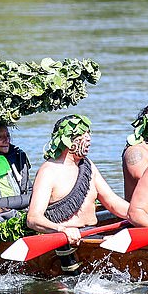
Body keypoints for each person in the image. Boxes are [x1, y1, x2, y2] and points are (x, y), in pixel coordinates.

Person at [26, 115, 129, 273]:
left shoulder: (88, 166)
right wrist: (62, 229)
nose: (89, 139)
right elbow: (33, 219)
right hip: (65, 241)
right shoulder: (48, 172)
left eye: (89, 133)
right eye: (83, 134)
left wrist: (142, 214)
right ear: (67, 139)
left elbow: (113, 202)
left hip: (92, 234)